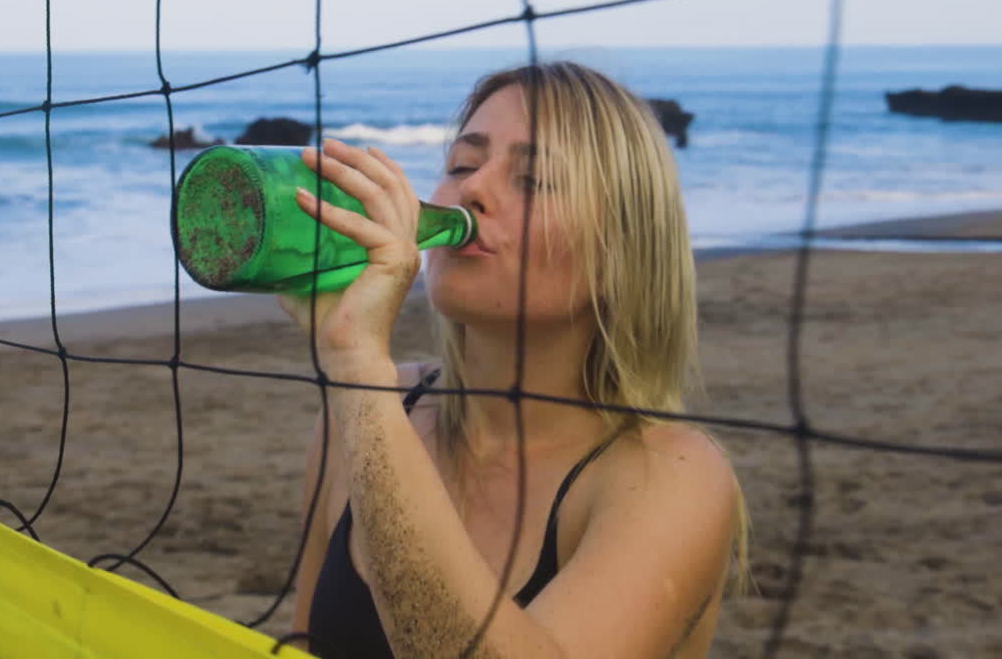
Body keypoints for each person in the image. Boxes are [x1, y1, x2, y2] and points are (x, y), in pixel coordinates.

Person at [278, 61, 749, 659]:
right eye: (462, 165)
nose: (470, 190)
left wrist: (355, 367)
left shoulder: (671, 477)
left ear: (621, 252)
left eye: (534, 180)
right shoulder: (368, 407)